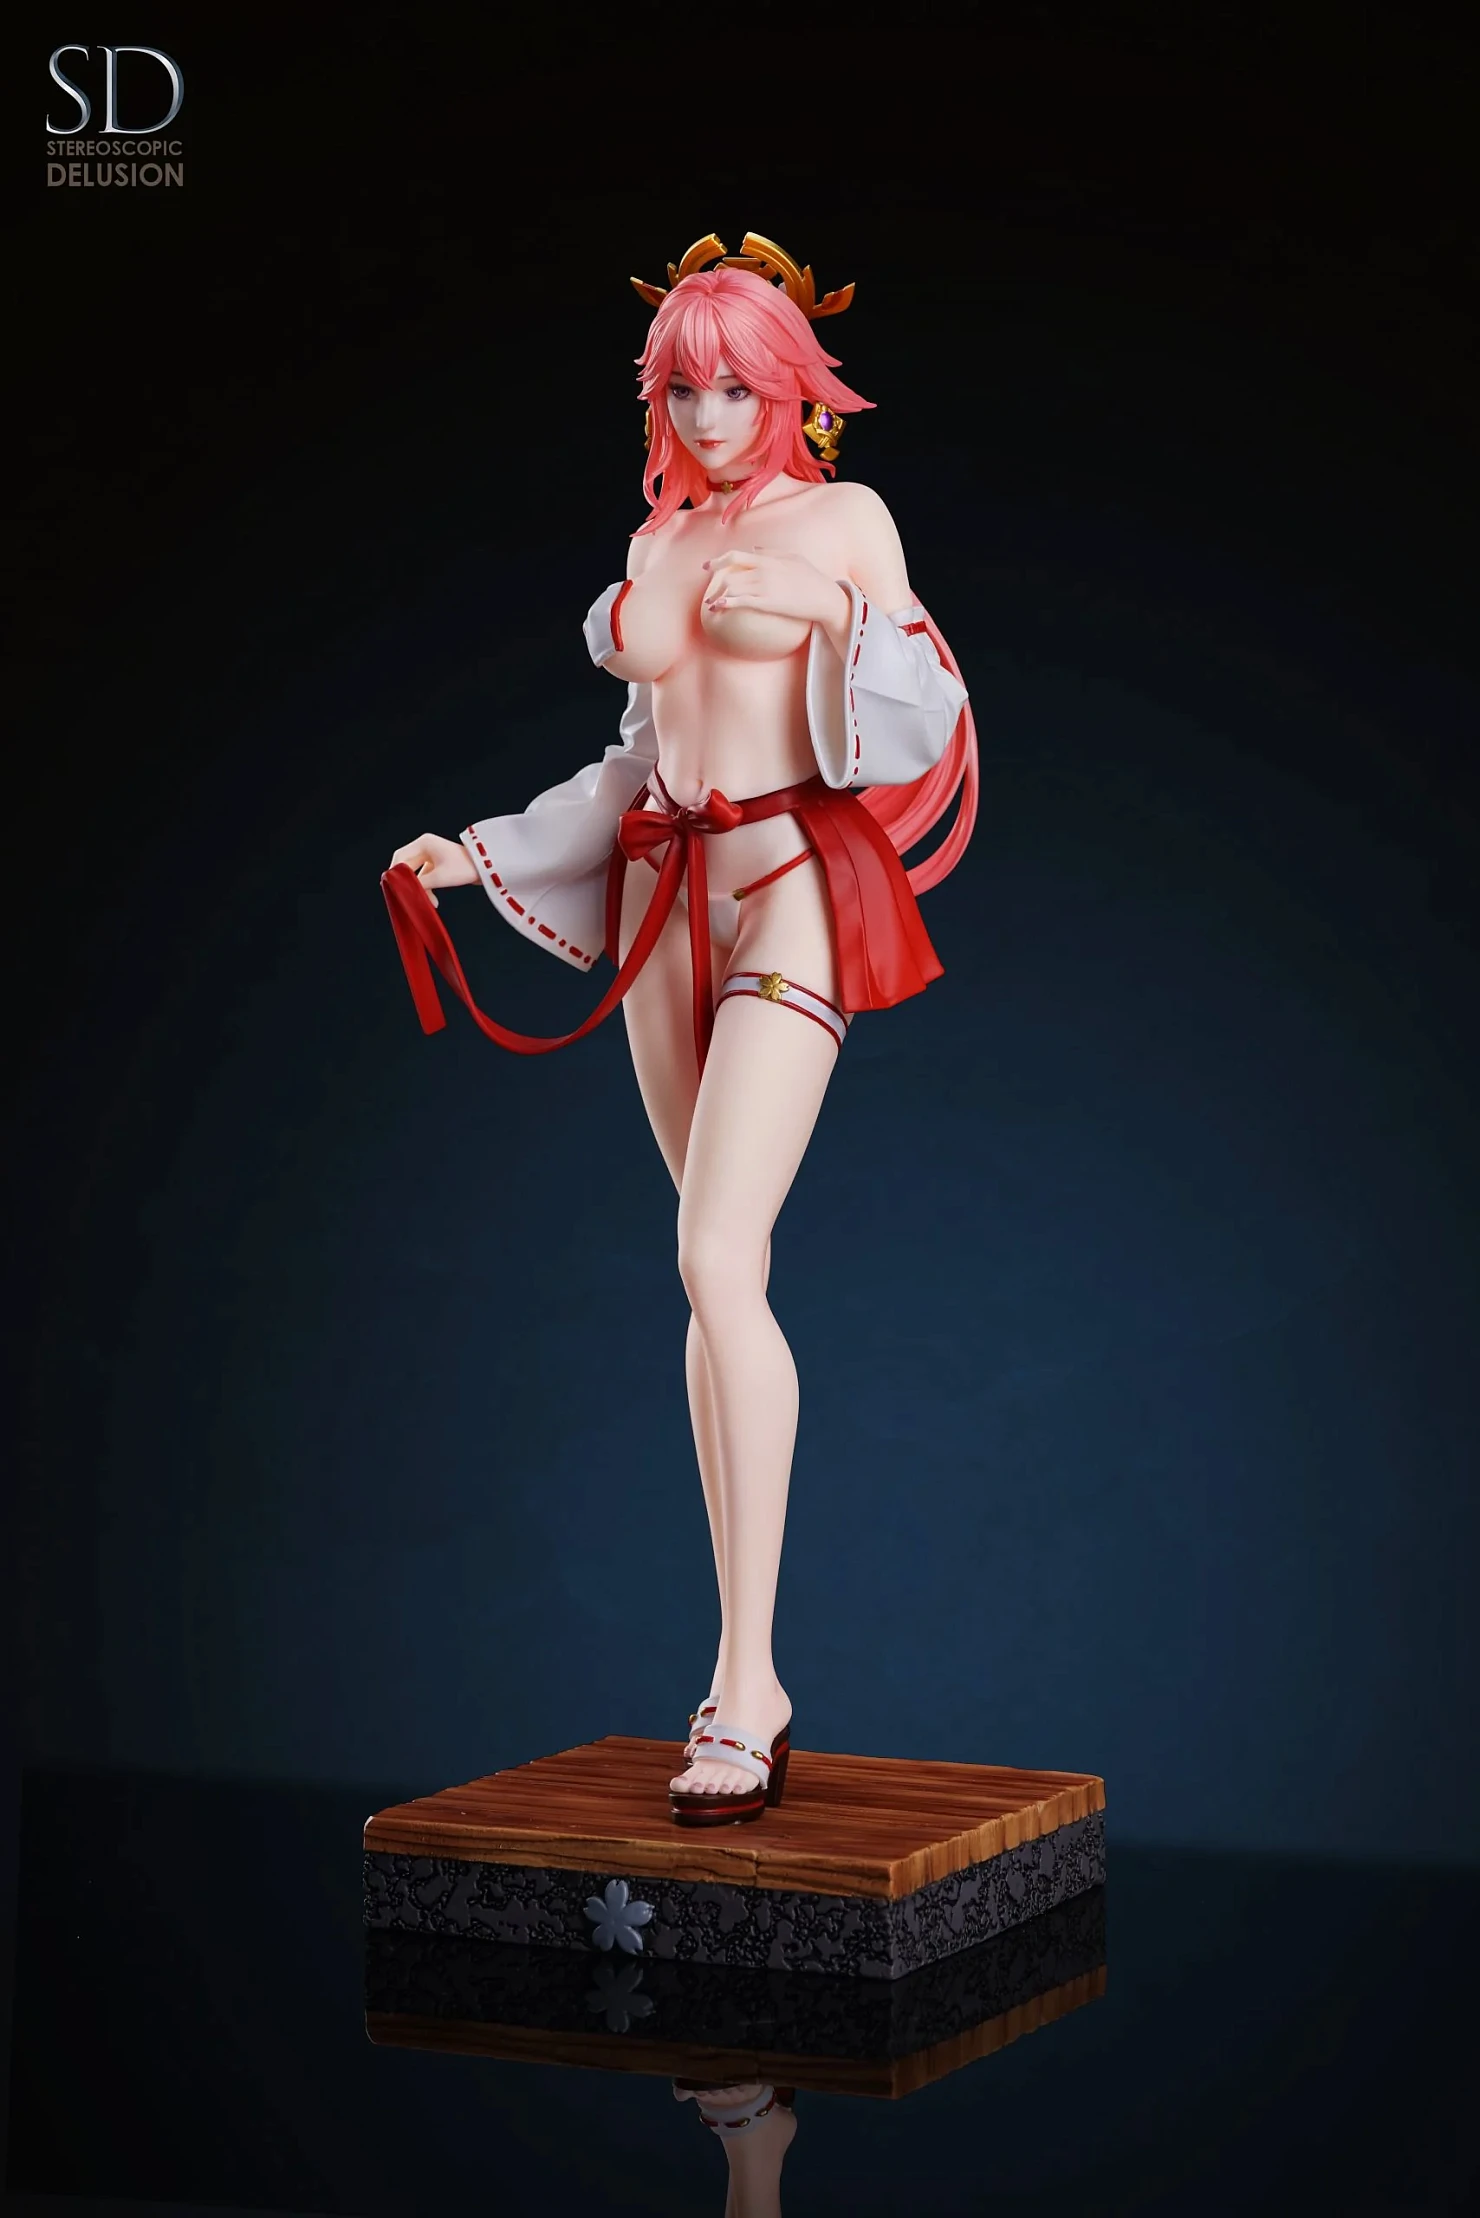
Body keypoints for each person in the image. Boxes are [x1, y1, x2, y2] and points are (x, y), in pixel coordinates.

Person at [383, 234, 978, 1827]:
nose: (710, 416)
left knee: (714, 1255)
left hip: (787, 887)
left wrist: (830, 610)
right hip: (669, 896)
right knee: (717, 1278)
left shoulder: (843, 520)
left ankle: (748, 1677)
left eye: (736, 386)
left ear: (791, 389)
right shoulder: (659, 541)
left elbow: (927, 708)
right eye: (684, 389)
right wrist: (483, 850)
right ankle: (742, 1663)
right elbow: (637, 762)